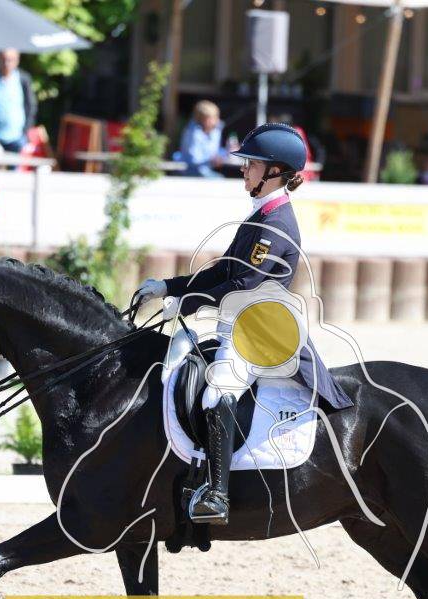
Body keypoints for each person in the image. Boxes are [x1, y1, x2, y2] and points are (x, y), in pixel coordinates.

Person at [132, 123, 353, 525]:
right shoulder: (261, 214)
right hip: (241, 325)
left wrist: (184, 304)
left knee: (218, 389)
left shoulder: (275, 224)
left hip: (261, 333)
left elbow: (243, 286)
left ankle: (217, 494)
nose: (244, 169)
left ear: (275, 172)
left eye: (252, 164)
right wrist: (168, 286)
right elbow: (223, 272)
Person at [178, 101, 232, 178]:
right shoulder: (192, 133)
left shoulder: (216, 131)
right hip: (191, 172)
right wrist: (211, 161)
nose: (216, 121)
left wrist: (228, 151)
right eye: (212, 118)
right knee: (221, 180)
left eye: (216, 117)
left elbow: (215, 152)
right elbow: (194, 160)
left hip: (207, 170)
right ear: (201, 119)